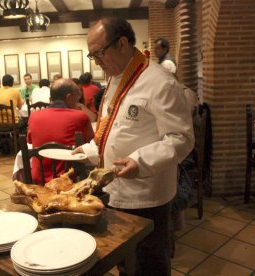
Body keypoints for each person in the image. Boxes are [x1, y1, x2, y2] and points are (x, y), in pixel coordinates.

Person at [74, 17, 194, 275]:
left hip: (146, 194)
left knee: (149, 263)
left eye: (99, 53)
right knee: (126, 261)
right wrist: (88, 150)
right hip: (115, 188)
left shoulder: (160, 81)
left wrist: (141, 161)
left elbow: (181, 138)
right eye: (91, 56)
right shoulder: (116, 79)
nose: (96, 61)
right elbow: (116, 130)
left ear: (123, 43)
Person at [27, 78, 94, 183]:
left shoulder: (34, 116)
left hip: (39, 179)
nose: (77, 104)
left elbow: (30, 142)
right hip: (69, 180)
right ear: (69, 98)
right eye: (77, 100)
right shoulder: (80, 116)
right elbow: (91, 143)